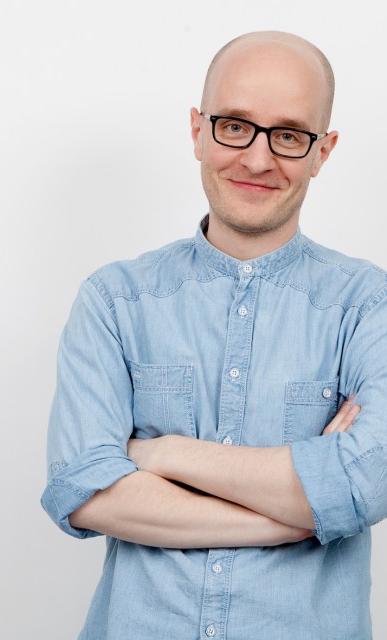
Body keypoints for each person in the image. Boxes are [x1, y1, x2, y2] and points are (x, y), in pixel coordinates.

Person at [41, 30, 387, 639]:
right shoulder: (114, 300)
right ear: (198, 130)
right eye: (234, 126)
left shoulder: (368, 305)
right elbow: (85, 491)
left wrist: (161, 454)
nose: (256, 159)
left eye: (288, 135)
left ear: (323, 152)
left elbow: (370, 480)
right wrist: (295, 515)